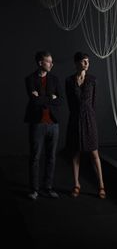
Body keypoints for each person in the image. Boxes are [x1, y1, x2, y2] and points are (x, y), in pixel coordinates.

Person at [65, 51, 106, 199]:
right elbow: (70, 103)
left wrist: (89, 116)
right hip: (75, 119)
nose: (87, 64)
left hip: (89, 119)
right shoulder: (69, 81)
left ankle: (101, 185)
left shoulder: (93, 80)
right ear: (76, 63)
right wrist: (76, 115)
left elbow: (93, 102)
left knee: (94, 153)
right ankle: (76, 184)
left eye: (88, 61)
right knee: (75, 153)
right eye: (83, 61)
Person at [24, 51, 63, 200]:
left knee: (51, 157)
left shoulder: (54, 79)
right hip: (37, 124)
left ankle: (48, 187)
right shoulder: (30, 79)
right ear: (40, 63)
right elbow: (34, 101)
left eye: (52, 61)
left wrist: (41, 98)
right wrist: (50, 98)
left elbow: (61, 100)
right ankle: (34, 189)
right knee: (35, 157)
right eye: (48, 61)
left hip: (53, 124)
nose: (51, 64)